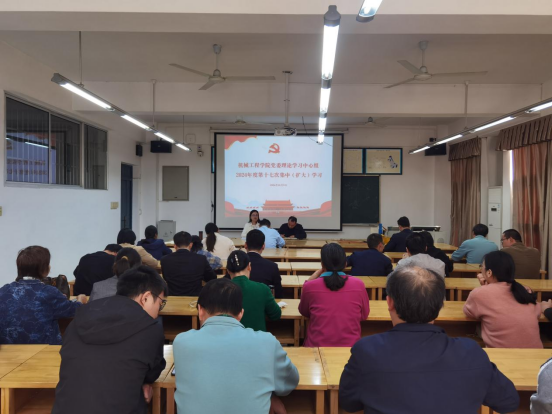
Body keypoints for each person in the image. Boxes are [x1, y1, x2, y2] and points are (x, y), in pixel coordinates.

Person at [339, 266, 520, 414]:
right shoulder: (471, 352)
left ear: (390, 302)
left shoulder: (367, 350)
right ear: (439, 306)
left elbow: (349, 403)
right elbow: (508, 401)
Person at [173, 278, 299, 414]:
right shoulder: (267, 342)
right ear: (241, 314)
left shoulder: (181, 342)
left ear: (200, 310)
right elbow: (289, 382)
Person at [52, 266, 167, 414]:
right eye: (160, 304)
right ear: (146, 297)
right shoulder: (150, 328)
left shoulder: (79, 318)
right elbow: (152, 372)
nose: (158, 312)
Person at [0, 246, 86, 345]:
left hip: (9, 352)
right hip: (43, 350)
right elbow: (74, 310)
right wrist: (80, 300)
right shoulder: (48, 292)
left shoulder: (3, 291)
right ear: (44, 269)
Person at [463, 251, 542, 348]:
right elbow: (537, 312)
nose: (481, 269)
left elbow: (469, 312)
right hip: (536, 355)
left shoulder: (479, 293)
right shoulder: (525, 290)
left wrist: (485, 287)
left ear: (489, 272)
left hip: (502, 356)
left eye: (481, 266)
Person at [299, 243, 370, 347]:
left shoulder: (310, 286)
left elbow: (304, 312)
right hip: (350, 347)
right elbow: (364, 315)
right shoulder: (358, 284)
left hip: (317, 347)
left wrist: (310, 280)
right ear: (345, 263)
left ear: (322, 264)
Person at [227, 250, 281, 331]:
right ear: (249, 266)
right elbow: (276, 315)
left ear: (228, 270)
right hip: (257, 337)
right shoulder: (262, 288)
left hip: (229, 337)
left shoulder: (219, 291)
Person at [161, 231, 216, 296]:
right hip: (195, 298)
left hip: (172, 297)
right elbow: (212, 277)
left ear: (175, 246)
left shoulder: (165, 260)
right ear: (191, 245)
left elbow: (165, 277)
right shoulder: (201, 259)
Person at [245, 229, 283, 298]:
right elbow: (278, 294)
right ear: (263, 246)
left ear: (245, 245)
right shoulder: (272, 266)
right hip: (264, 303)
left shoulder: (236, 264)